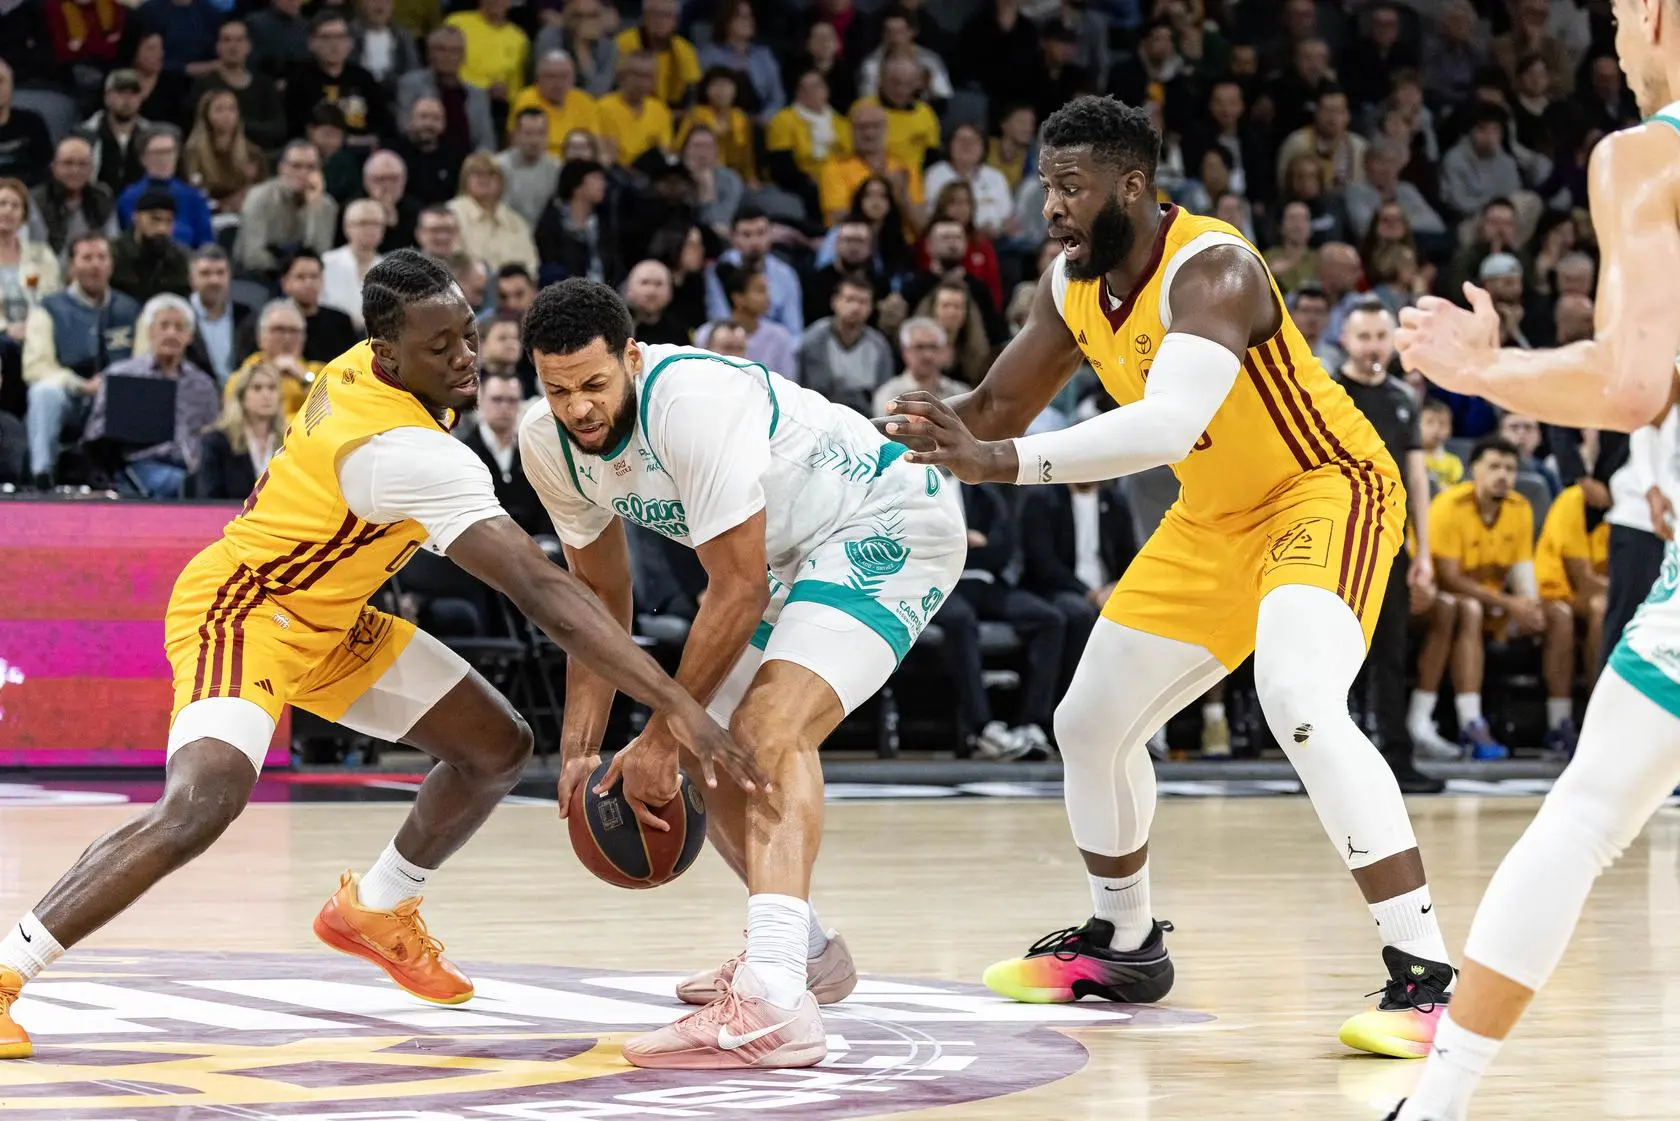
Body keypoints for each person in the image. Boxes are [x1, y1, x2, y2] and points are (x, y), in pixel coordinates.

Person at [0, 251, 757, 1061]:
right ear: (390, 356)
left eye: (469, 336)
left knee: (494, 747)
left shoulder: (372, 361)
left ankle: (379, 905)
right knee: (202, 803)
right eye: (443, 349)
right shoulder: (407, 451)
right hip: (248, 607)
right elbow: (545, 593)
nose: (466, 358)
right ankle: (11, 967)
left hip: (329, 617)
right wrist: (676, 705)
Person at [877, 94, 1452, 1057]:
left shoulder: (1214, 268)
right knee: (1087, 722)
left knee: (1299, 700)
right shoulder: (1070, 282)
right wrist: (872, 443)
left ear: (1131, 187)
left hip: (1324, 490)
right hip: (1214, 518)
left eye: (1070, 188)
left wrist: (995, 461)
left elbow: (1163, 428)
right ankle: (1125, 944)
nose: (1051, 207)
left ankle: (1428, 977)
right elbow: (997, 404)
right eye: (1045, 187)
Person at [517, 277, 967, 1070]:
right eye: (558, 390)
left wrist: (657, 734)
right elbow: (597, 594)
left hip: (884, 516)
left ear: (630, 356)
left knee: (761, 730)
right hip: (791, 554)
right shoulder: (545, 442)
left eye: (593, 384)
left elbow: (737, 587)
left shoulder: (689, 402)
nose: (579, 407)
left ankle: (772, 1006)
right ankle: (804, 955)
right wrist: (579, 747)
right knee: (708, 738)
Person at [1383, 0, 1680, 1104]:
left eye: (1612, 15)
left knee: (1587, 818)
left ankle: (1442, 1095)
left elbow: (1632, 379)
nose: (1612, 39)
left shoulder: (1647, 156)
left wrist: (1484, 372)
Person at [1330, 300, 1444, 792]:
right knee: (1335, 655)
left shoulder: (1403, 397)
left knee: (1391, 652)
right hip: (1335, 542)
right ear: (1345, 342)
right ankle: (1327, 762)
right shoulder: (1327, 392)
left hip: (1390, 545)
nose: (1374, 346)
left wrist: (1424, 554)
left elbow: (1417, 478)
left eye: (1381, 336)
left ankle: (1396, 759)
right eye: (1365, 337)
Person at [1411, 437, 1544, 761]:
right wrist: (1512, 604)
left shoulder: (1519, 508)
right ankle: (1465, 719)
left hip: (1492, 602)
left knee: (1556, 616)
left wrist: (1530, 605)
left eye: (1510, 469)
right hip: (1434, 599)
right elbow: (1449, 578)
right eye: (1494, 467)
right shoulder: (1449, 505)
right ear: (1474, 470)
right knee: (1466, 608)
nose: (1503, 475)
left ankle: (1562, 727)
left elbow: (1521, 568)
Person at [1534, 479, 1610, 696]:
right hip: (1560, 591)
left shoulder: (1634, 504)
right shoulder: (1573, 500)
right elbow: (1583, 581)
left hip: (1604, 592)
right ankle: (1597, 707)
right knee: (1602, 609)